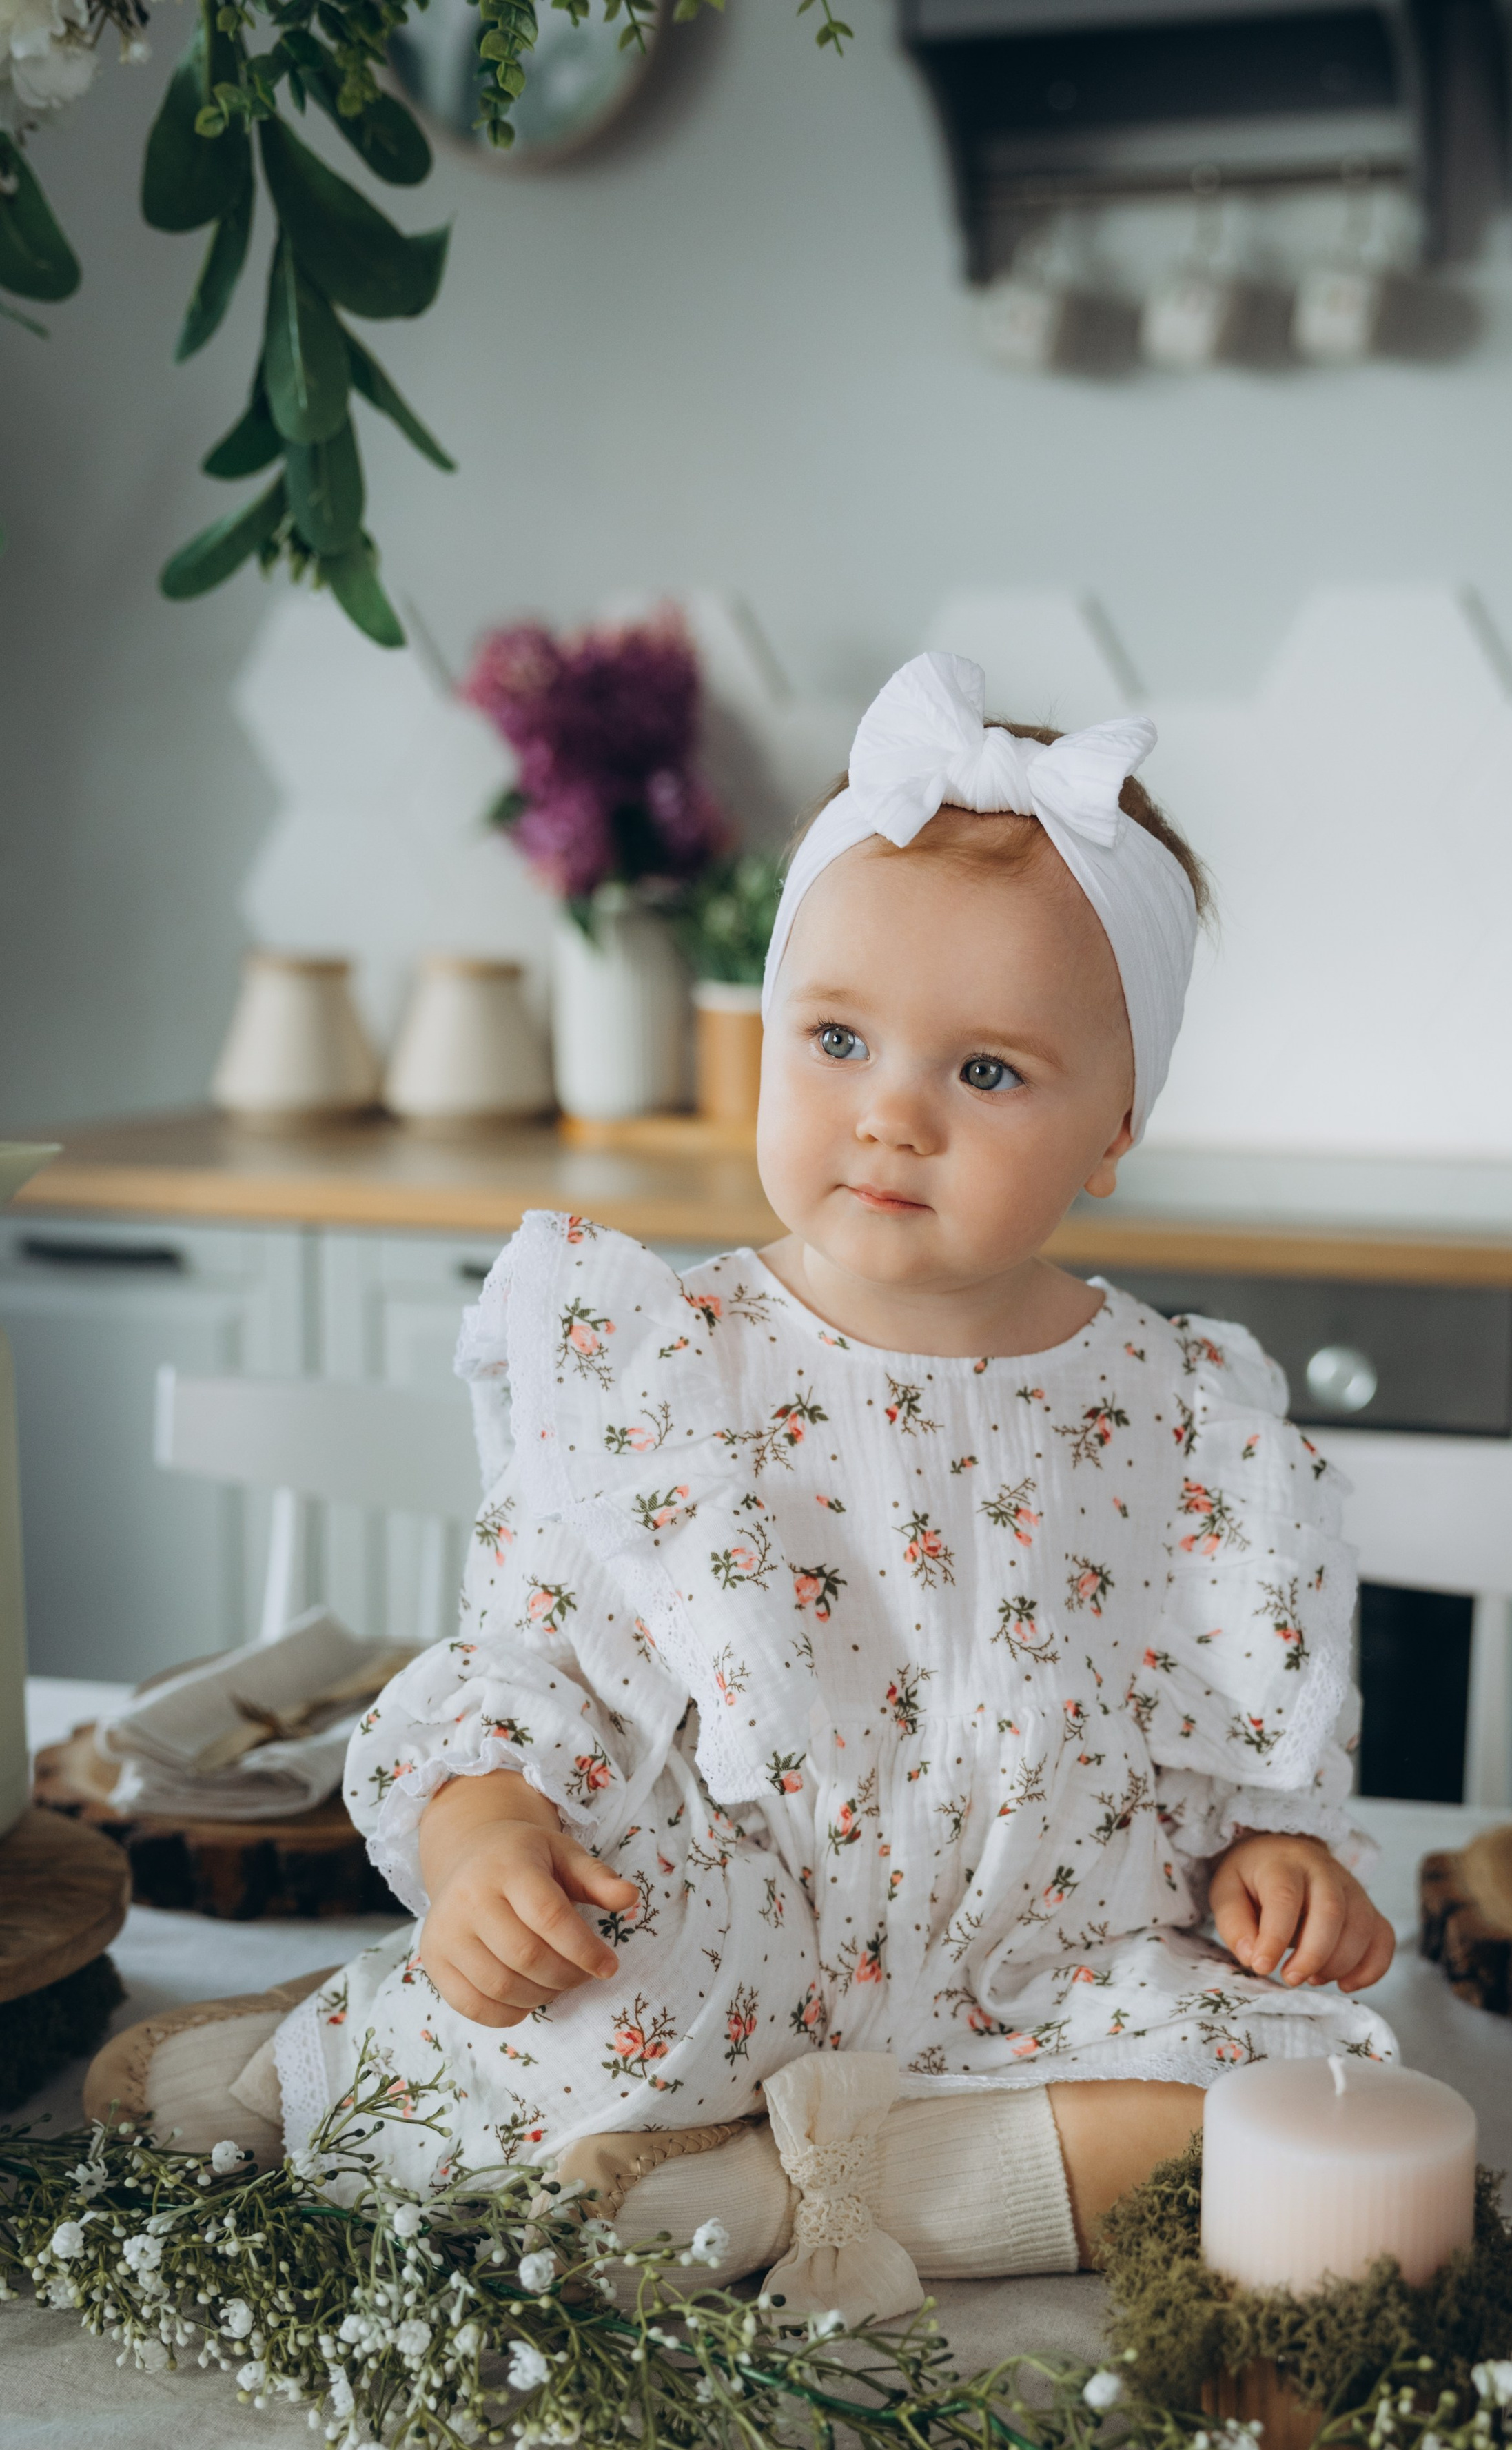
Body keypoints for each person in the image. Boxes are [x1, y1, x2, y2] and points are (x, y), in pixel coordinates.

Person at [87, 653, 1396, 2320]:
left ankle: (821, 2184)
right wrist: (486, 1828)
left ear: (1113, 1123)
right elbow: (529, 1661)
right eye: (837, 1038)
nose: (891, 1115)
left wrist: (1272, 1861)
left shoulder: (1188, 1409)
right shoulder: (660, 1357)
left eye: (983, 1072)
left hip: (1051, 1965)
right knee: (575, 1987)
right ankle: (362, 2067)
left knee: (1321, 2110)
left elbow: (1236, 1721)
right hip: (732, 1934)